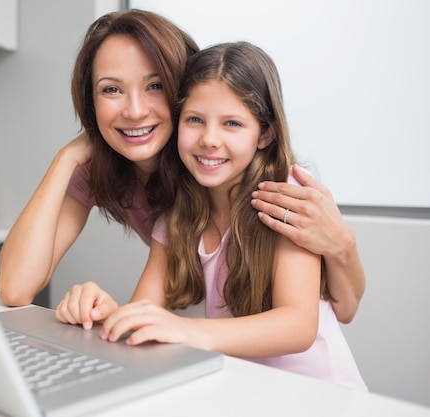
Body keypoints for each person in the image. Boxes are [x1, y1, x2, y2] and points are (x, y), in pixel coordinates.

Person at [0, 9, 365, 324]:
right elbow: (15, 287)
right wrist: (66, 158)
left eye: (155, 85)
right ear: (90, 102)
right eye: (111, 90)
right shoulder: (106, 168)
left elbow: (337, 311)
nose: (135, 110)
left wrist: (343, 247)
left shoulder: (217, 165)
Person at [56, 42, 367, 390]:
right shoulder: (180, 208)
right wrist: (105, 313)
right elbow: (146, 311)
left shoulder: (286, 195)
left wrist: (185, 330)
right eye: (195, 120)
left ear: (266, 133)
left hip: (322, 396)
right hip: (249, 391)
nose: (209, 139)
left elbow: (297, 326)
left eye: (232, 123)